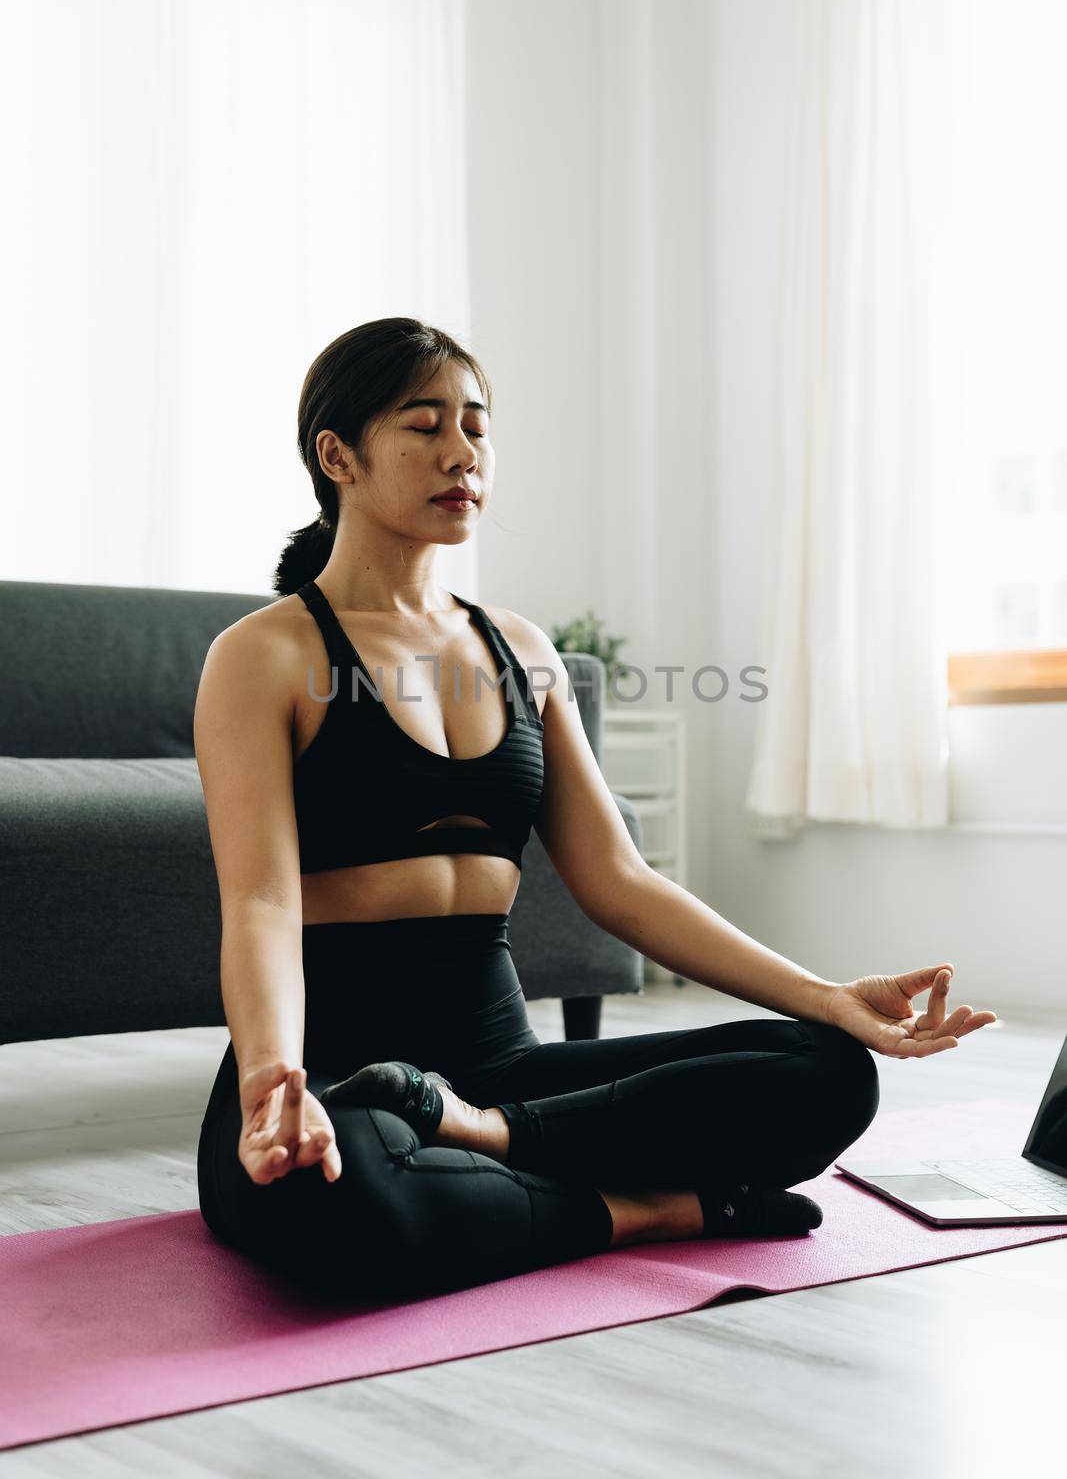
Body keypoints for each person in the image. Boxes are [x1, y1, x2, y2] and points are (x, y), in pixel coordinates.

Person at [194, 316, 998, 1301]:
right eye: (423, 425)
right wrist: (270, 1079)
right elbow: (262, 905)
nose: (462, 454)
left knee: (826, 1069)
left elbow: (619, 881)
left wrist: (827, 997)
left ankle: (490, 1144)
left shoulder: (520, 651)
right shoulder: (265, 655)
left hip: (501, 1083)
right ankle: (652, 1209)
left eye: (477, 427)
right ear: (337, 455)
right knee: (343, 1194)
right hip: (341, 1075)